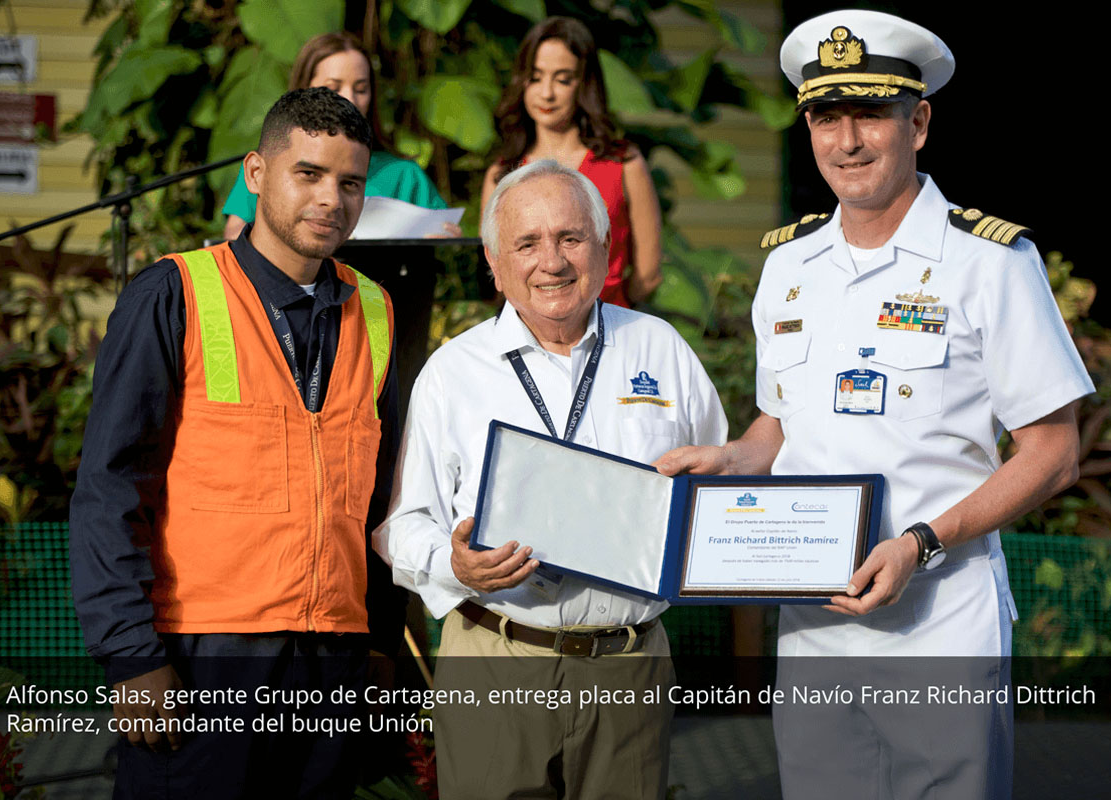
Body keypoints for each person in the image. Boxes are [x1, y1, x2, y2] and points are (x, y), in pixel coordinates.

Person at [655, 10, 1094, 799]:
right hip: (815, 619)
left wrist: (921, 543)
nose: (847, 140)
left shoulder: (989, 263)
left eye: (870, 114)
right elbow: (780, 425)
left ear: (918, 122)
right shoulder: (788, 267)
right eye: (827, 116)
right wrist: (733, 459)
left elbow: (1053, 452)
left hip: (941, 619)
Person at [70, 88, 401, 799]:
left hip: (331, 657)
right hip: (201, 656)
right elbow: (108, 485)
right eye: (307, 174)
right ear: (256, 174)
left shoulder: (373, 310)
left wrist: (377, 640)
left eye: (349, 183)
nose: (331, 199)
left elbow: (379, 501)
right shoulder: (174, 292)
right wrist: (130, 656)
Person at [375, 160, 726, 799]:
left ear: (604, 246)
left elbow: (719, 484)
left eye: (570, 238)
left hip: (629, 666)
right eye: (528, 243)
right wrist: (457, 566)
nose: (552, 262)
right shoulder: (452, 373)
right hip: (495, 656)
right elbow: (399, 527)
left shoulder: (661, 349)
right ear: (494, 260)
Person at [481, 16, 662, 308]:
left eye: (563, 79)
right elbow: (498, 271)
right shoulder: (502, 173)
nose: (547, 92)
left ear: (584, 83)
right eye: (536, 77)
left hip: (612, 328)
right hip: (528, 338)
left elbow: (649, 274)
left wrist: (609, 313)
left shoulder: (624, 164)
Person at [222, 31, 449, 240]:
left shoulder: (404, 175)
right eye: (333, 88)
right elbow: (234, 237)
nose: (349, 100)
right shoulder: (269, 164)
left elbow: (445, 238)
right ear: (304, 90)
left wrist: (443, 239)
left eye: (360, 89)